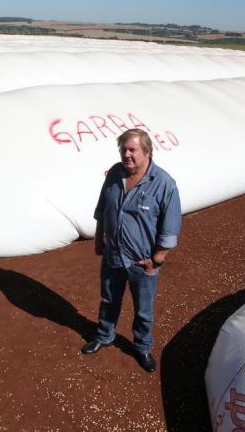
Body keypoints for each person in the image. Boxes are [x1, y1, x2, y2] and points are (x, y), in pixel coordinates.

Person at [81, 128, 182, 373]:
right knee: (109, 299)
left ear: (147, 151)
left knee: (143, 310)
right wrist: (98, 237)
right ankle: (105, 335)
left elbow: (170, 226)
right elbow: (103, 206)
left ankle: (142, 347)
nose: (127, 154)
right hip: (113, 254)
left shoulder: (164, 183)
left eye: (132, 150)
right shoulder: (115, 173)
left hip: (142, 261)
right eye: (123, 149)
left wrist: (157, 259)